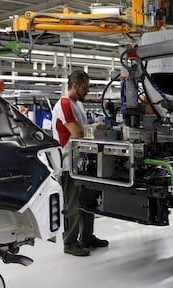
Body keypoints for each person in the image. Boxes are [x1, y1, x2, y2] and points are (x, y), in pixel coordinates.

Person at [52, 69, 109, 256]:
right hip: (69, 164)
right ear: (74, 85)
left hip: (81, 162)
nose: (87, 91)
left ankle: (86, 237)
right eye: (84, 88)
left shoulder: (78, 104)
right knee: (73, 205)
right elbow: (77, 134)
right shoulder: (64, 104)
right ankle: (70, 243)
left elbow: (81, 130)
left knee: (88, 201)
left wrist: (92, 127)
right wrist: (89, 131)